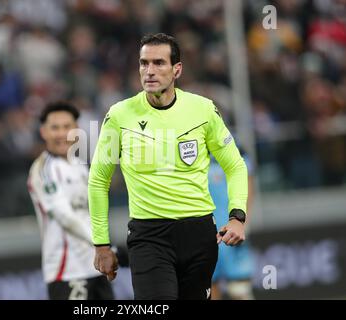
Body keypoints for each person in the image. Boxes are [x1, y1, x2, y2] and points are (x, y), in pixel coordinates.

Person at [88, 33, 249, 300]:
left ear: (177, 69)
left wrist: (237, 217)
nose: (149, 71)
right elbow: (97, 181)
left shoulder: (203, 110)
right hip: (149, 236)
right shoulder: (119, 115)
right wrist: (101, 243)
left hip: (199, 234)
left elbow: (235, 165)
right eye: (143, 63)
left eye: (159, 63)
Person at [27, 101, 114, 300]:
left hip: (95, 267)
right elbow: (65, 216)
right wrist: (103, 243)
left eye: (67, 127)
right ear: (43, 132)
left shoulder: (80, 164)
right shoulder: (43, 169)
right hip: (67, 271)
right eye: (55, 128)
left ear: (76, 130)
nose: (61, 133)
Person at [209, 148, 255, 300]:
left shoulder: (234, 145)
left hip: (231, 228)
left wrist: (244, 221)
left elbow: (247, 180)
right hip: (206, 231)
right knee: (209, 287)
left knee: (239, 289)